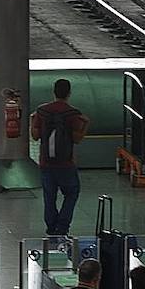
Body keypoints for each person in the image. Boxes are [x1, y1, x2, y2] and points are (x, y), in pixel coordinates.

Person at [30, 78, 87, 236]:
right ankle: (62, 227)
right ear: (69, 93)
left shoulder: (42, 111)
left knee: (49, 196)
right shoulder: (73, 113)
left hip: (46, 163)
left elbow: (35, 136)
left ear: (53, 92)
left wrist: (31, 122)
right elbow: (77, 139)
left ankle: (51, 227)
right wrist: (85, 125)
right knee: (71, 193)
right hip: (66, 164)